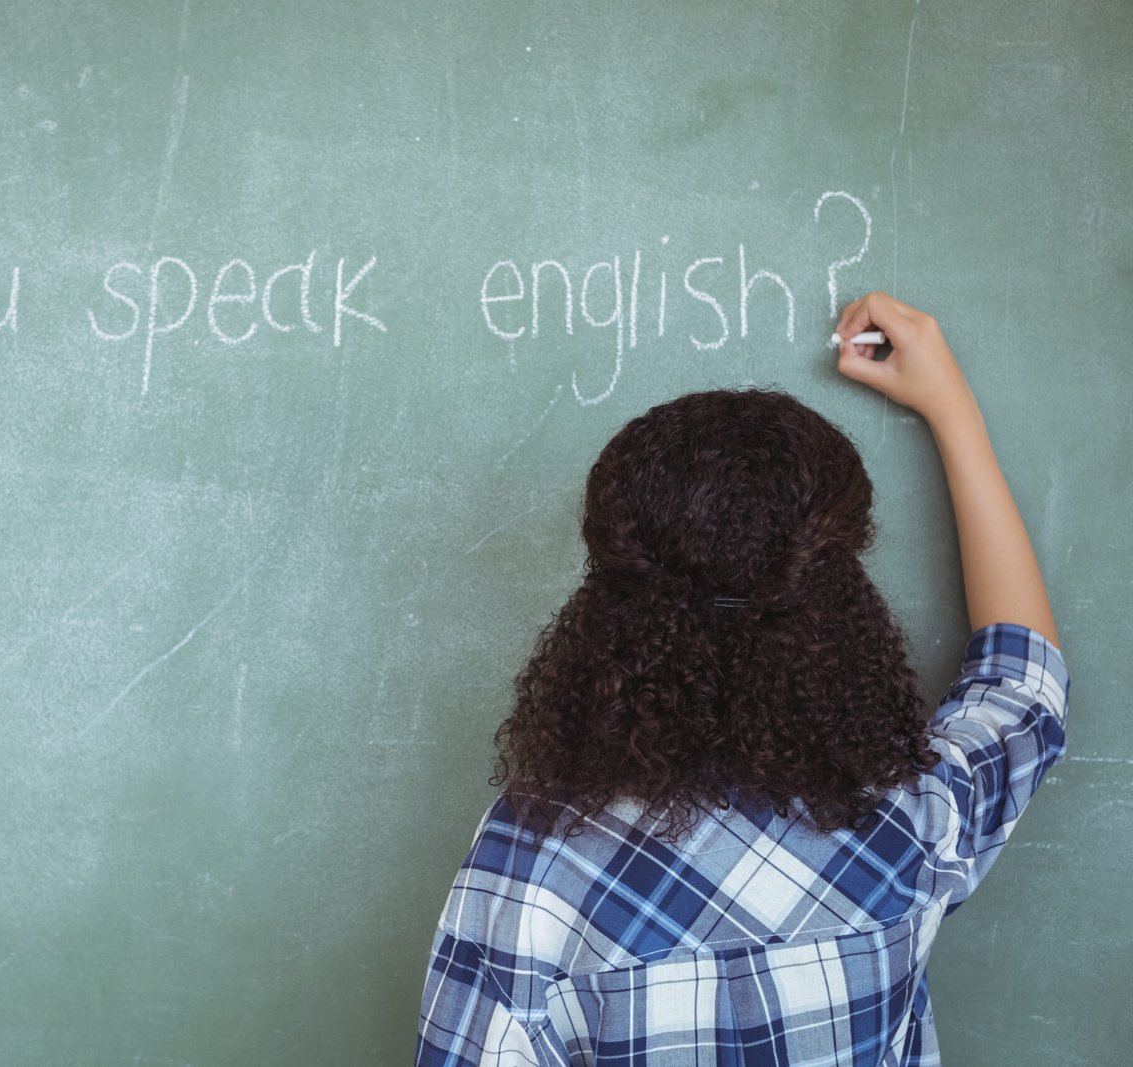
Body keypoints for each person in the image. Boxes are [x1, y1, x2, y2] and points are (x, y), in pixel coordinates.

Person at [415, 292, 1067, 1066]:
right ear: (835, 600)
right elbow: (1024, 685)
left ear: (611, 603)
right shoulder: (910, 822)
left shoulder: (531, 868)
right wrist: (952, 410)